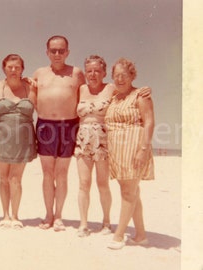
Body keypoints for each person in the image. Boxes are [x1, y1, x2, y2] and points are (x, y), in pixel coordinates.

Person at [74, 55, 151, 237]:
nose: (93, 74)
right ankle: (83, 223)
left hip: (105, 141)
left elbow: (130, 92)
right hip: (83, 139)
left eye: (97, 71)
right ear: (85, 72)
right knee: (84, 184)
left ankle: (106, 222)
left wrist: (144, 90)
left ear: (104, 73)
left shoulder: (111, 89)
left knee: (102, 184)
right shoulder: (80, 89)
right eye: (89, 71)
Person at [32, 35, 85, 231]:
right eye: (53, 50)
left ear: (67, 52)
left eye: (61, 50)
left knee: (62, 173)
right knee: (47, 173)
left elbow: (88, 94)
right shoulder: (39, 73)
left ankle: (59, 216)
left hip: (69, 126)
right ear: (47, 52)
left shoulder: (77, 73)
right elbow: (31, 97)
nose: (57, 54)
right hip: (45, 125)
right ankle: (48, 215)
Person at [104, 58, 155, 249]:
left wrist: (143, 149)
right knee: (132, 193)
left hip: (134, 148)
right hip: (117, 150)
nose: (119, 79)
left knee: (128, 192)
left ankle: (118, 236)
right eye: (116, 75)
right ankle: (140, 235)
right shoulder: (114, 98)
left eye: (124, 75)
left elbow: (149, 122)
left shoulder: (141, 95)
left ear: (132, 76)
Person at [0, 54, 37, 229]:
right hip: (1, 137)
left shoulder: (31, 87)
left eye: (17, 67)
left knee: (16, 178)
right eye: (10, 67)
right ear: (4, 68)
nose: (13, 70)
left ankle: (15, 216)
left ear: (22, 69)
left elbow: (43, 107)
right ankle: (5, 215)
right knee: (3, 178)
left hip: (24, 139)